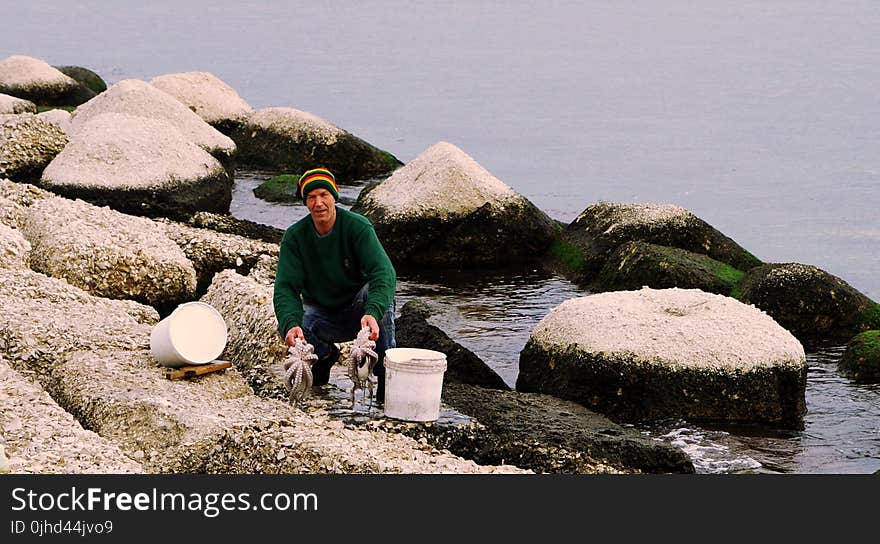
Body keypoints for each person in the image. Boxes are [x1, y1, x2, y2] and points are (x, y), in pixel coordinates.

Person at [273, 167, 397, 402]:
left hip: (360, 312)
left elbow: (384, 273)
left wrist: (373, 311)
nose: (319, 203)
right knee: (289, 322)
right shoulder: (294, 237)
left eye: (323, 195)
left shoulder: (358, 227)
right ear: (305, 203)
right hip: (322, 314)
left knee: (379, 296)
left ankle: (385, 381)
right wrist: (290, 325)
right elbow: (285, 288)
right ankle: (324, 356)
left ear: (334, 197)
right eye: (311, 197)